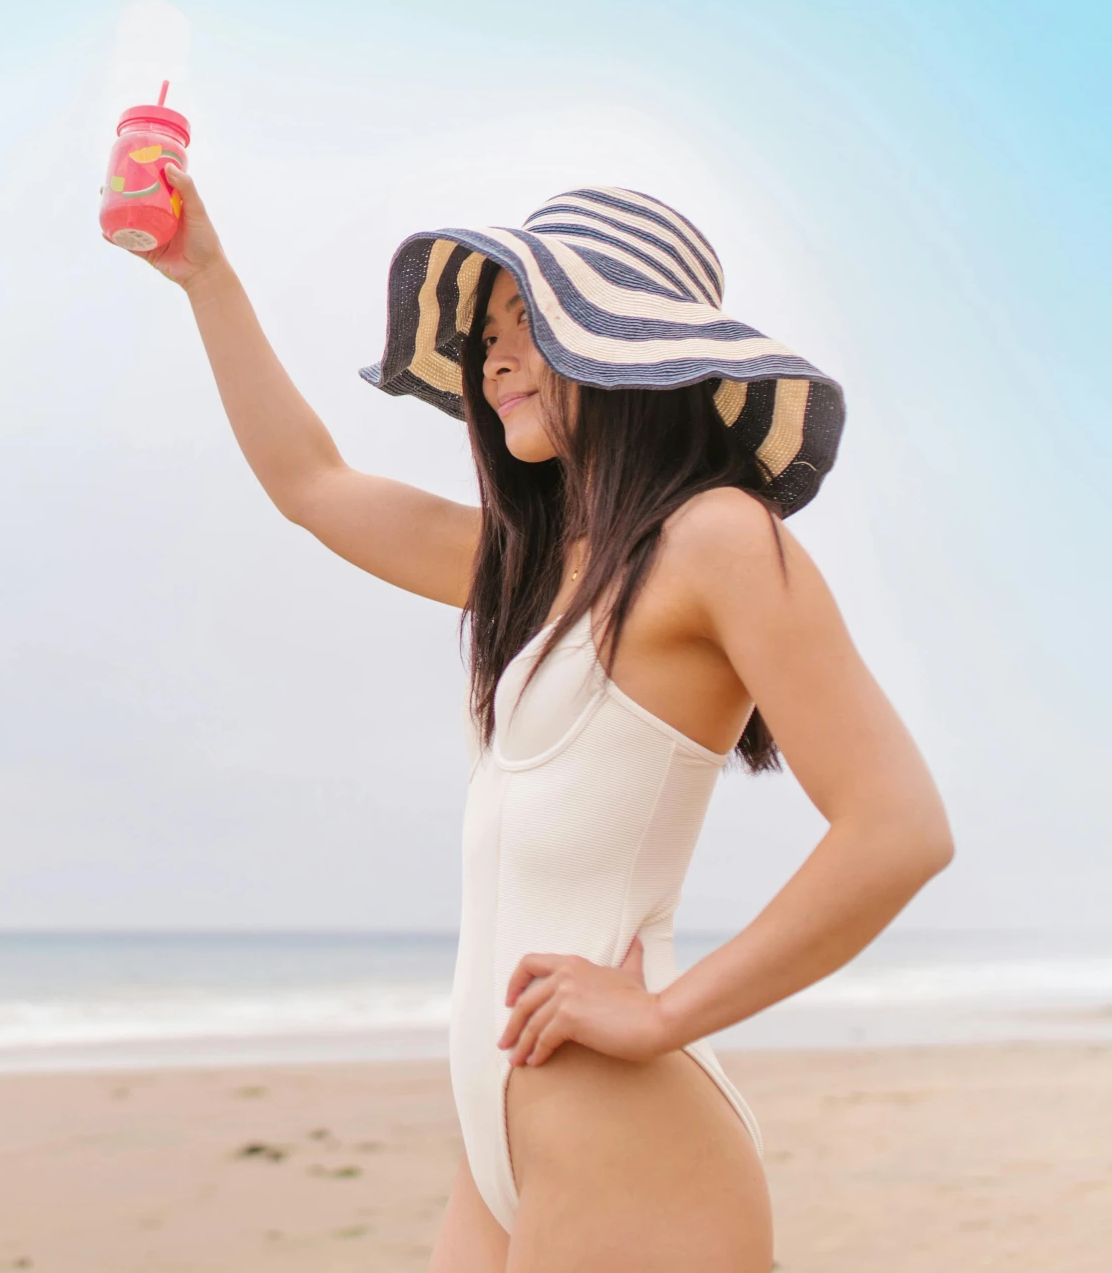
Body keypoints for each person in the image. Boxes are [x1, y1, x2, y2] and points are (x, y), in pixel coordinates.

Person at [131, 175, 953, 1272]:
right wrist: (205, 275)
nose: (497, 358)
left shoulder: (714, 538)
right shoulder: (529, 568)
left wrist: (666, 1014)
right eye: (492, 335)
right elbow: (310, 481)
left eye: (536, 327)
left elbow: (898, 828)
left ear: (632, 351)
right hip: (500, 1134)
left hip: (623, 1132)